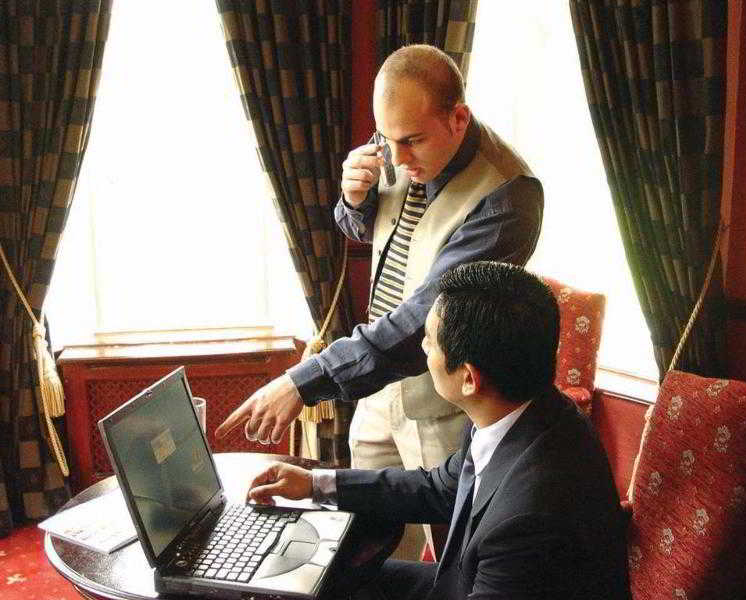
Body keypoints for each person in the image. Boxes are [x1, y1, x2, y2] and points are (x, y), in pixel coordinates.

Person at [216, 44, 543, 553]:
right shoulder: (396, 142)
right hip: (376, 387)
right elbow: (372, 232)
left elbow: (421, 322)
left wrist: (304, 381)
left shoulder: (508, 195)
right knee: (369, 547)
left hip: (447, 401)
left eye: (411, 141)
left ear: (458, 118)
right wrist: (353, 201)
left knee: (455, 559)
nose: (398, 158)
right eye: (386, 140)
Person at [245, 262, 631, 600]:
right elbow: (439, 488)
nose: (423, 347)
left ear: (469, 378)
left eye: (430, 340)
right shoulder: (527, 411)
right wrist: (315, 484)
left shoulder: (529, 518)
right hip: (465, 582)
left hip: (479, 587)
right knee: (320, 581)